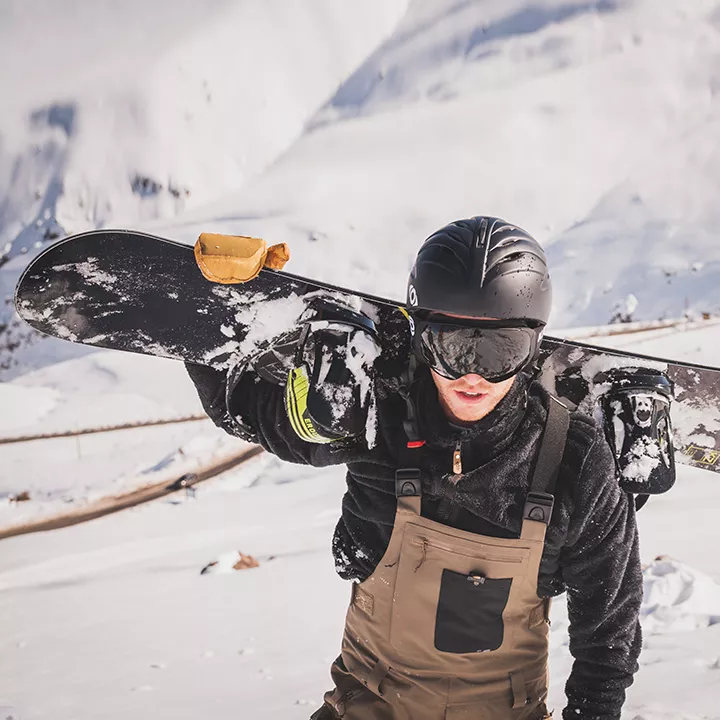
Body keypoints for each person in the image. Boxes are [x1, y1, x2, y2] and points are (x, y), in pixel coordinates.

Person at [186, 216, 643, 720]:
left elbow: (608, 623)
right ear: (424, 339)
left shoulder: (571, 459)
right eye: (452, 349)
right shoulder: (376, 416)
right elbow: (246, 409)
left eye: (500, 352)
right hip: (366, 705)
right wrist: (218, 301)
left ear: (532, 348)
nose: (472, 375)